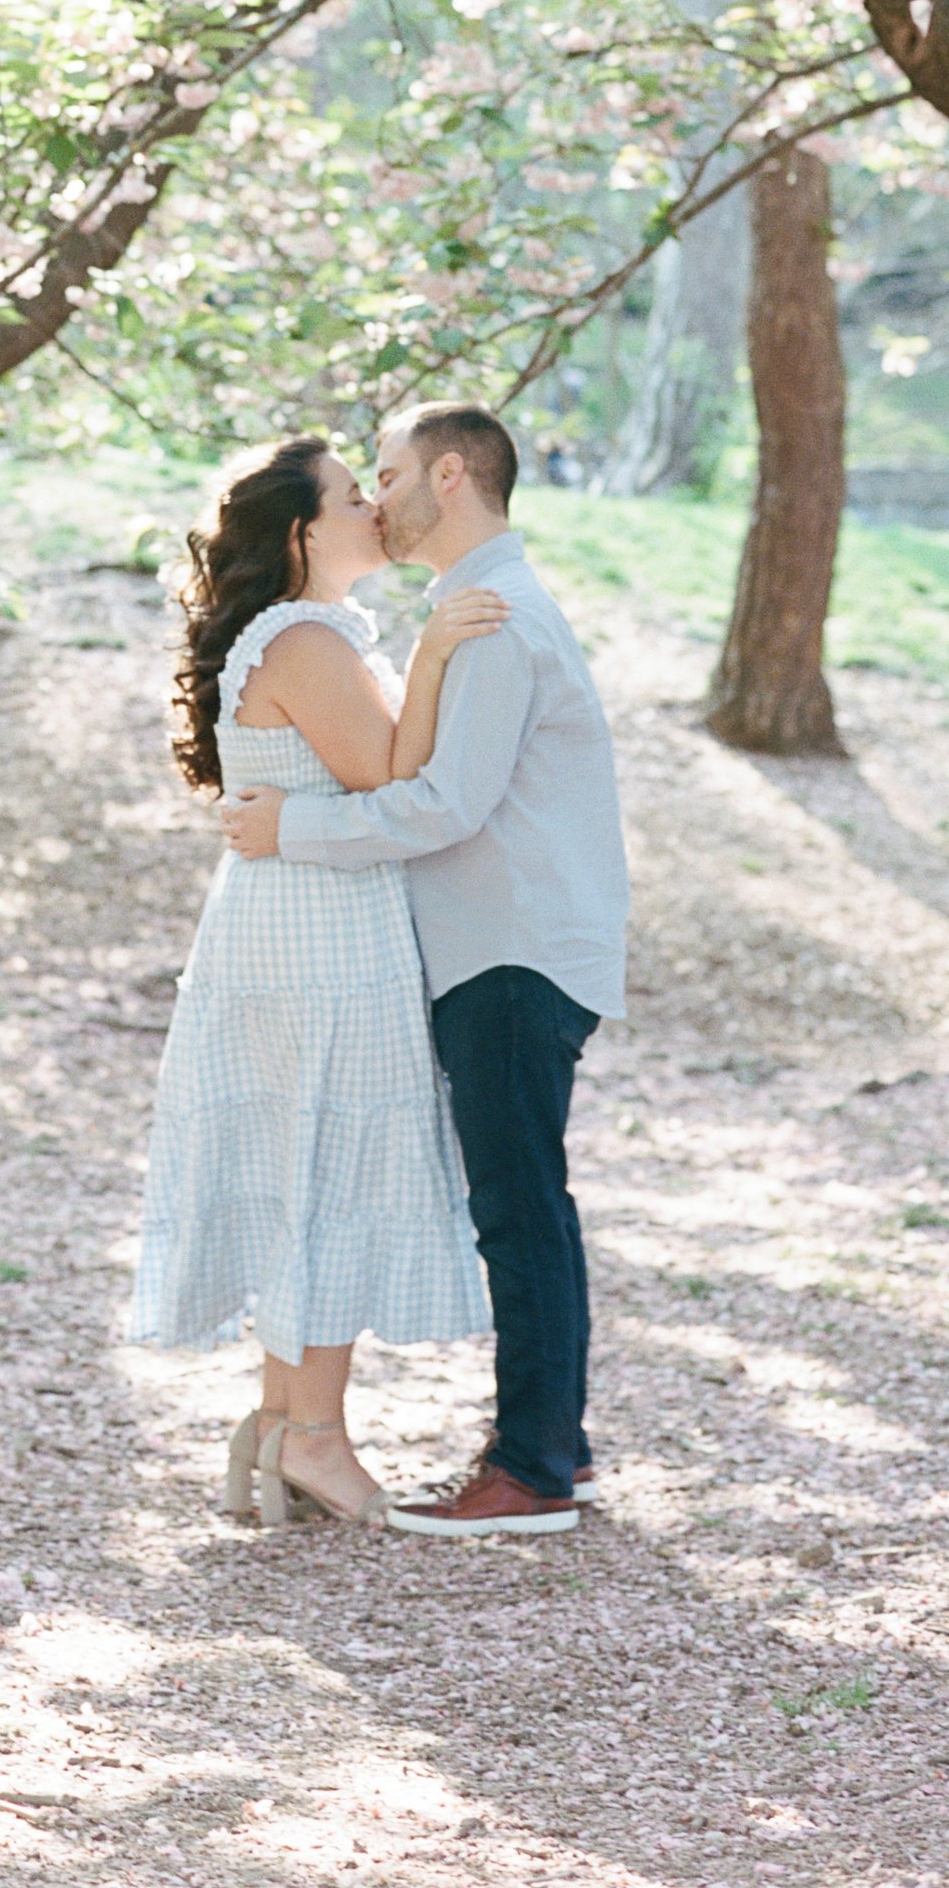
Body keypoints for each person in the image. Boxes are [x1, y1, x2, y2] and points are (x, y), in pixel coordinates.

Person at [220, 402, 628, 1540]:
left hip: (509, 947)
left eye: (389, 473)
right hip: (512, 941)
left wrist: (285, 831)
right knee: (526, 1201)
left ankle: (534, 1466)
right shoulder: (475, 606)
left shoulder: (486, 617)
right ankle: (555, 1448)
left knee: (518, 1209)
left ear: (448, 477)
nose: (379, 497)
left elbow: (443, 803)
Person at [127, 435, 507, 1527]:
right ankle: (313, 1436)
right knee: (329, 1171)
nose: (372, 511)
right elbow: (394, 773)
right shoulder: (300, 636)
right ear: (300, 533)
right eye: (351, 497)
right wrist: (434, 653)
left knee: (309, 1170)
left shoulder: (305, 633)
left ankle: (285, 1422)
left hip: (299, 926)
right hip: (316, 942)